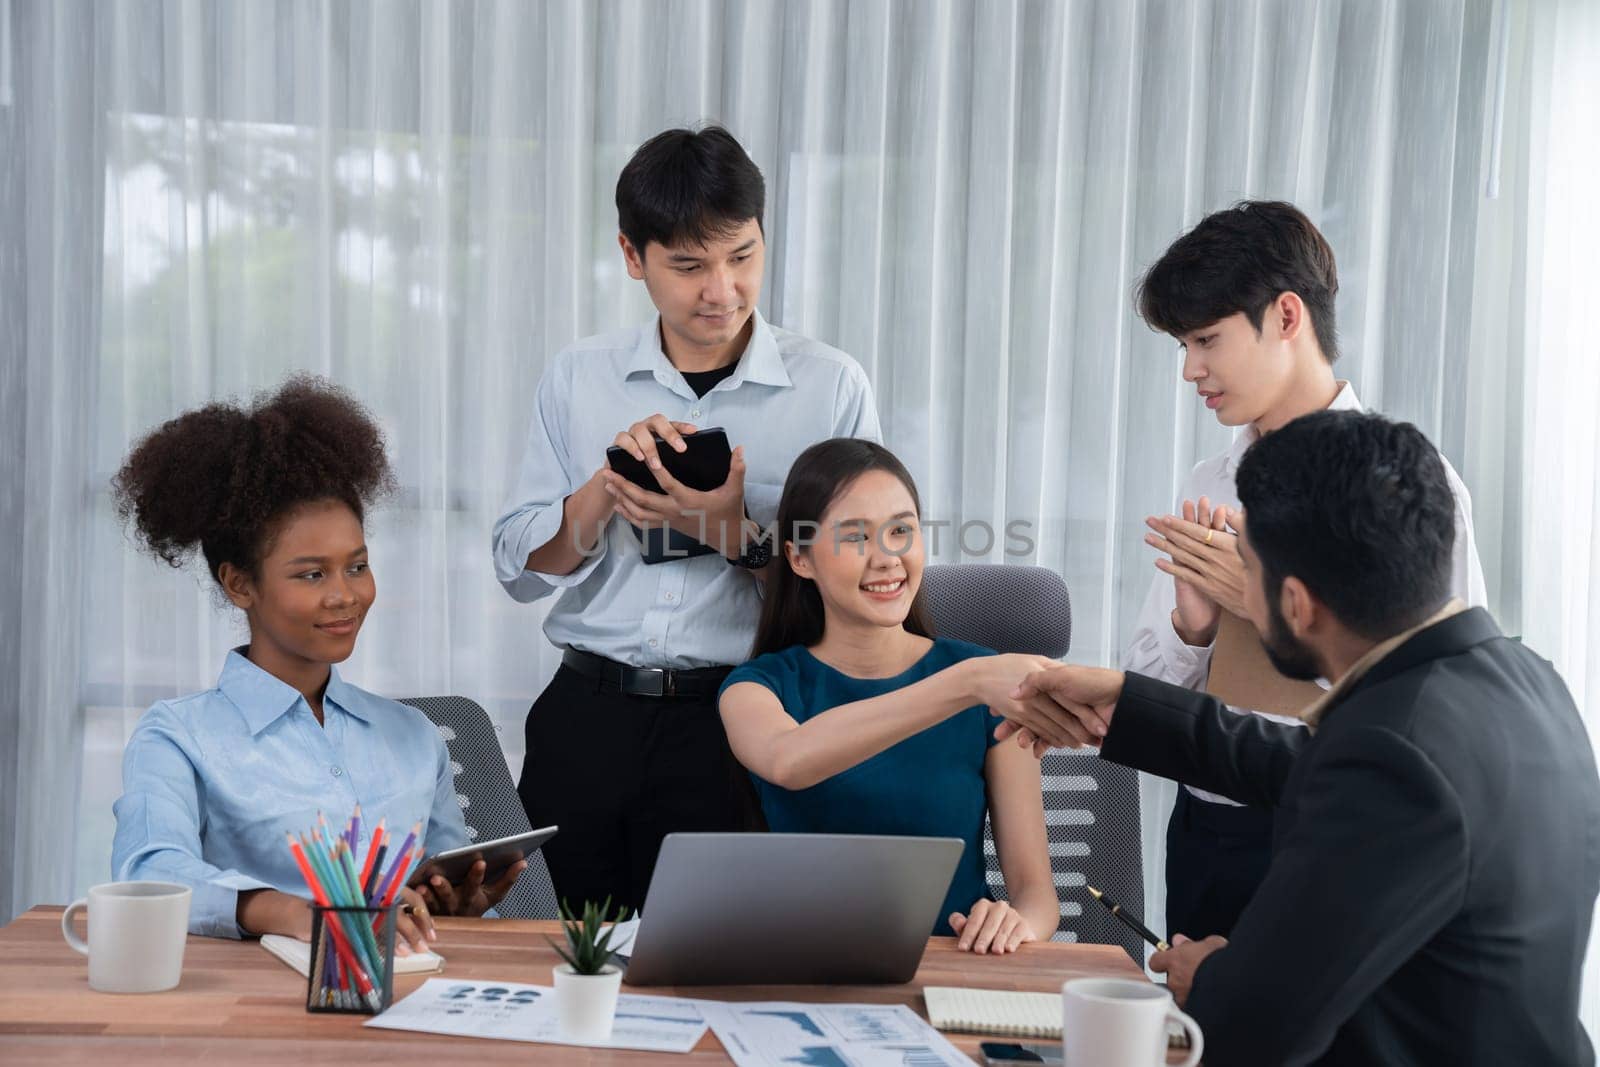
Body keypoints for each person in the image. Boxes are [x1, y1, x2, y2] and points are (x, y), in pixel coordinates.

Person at [1003, 411, 1599, 1065]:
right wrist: (1129, 702)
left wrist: (1207, 979)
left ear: (1296, 603)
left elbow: (1254, 1027)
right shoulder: (1531, 685)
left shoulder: (1392, 751)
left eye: (1246, 571)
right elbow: (1296, 762)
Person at [492, 126, 881, 915]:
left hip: (743, 718)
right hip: (586, 718)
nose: (723, 290)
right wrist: (604, 487)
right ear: (634, 257)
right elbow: (520, 566)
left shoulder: (830, 386)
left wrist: (733, 534)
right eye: (689, 265)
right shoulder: (579, 377)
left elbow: (867, 578)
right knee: (560, 969)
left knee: (718, 969)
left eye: (742, 256)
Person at [1125, 200, 1486, 939]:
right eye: (1183, 345)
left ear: (1287, 317)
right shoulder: (1209, 479)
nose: (1191, 368)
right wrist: (1194, 630)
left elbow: (1446, 707)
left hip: (1341, 833)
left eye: (1206, 339)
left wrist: (1259, 608)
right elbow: (1153, 707)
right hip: (1209, 834)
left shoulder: (1411, 487)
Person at [111, 377, 525, 945]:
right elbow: (146, 874)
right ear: (239, 584)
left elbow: (443, 901)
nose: (344, 595)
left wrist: (458, 905)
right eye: (312, 574)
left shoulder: (414, 737)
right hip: (257, 1009)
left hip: (406, 997)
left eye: (356, 566)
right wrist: (286, 911)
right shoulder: (179, 737)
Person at [717, 438, 1058, 952]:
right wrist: (962, 684)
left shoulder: (986, 683)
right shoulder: (756, 687)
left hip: (952, 971)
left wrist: (1016, 925)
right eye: (855, 537)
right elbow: (790, 760)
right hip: (804, 970)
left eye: (902, 530)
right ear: (800, 559)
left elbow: (1037, 896)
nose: (887, 558)